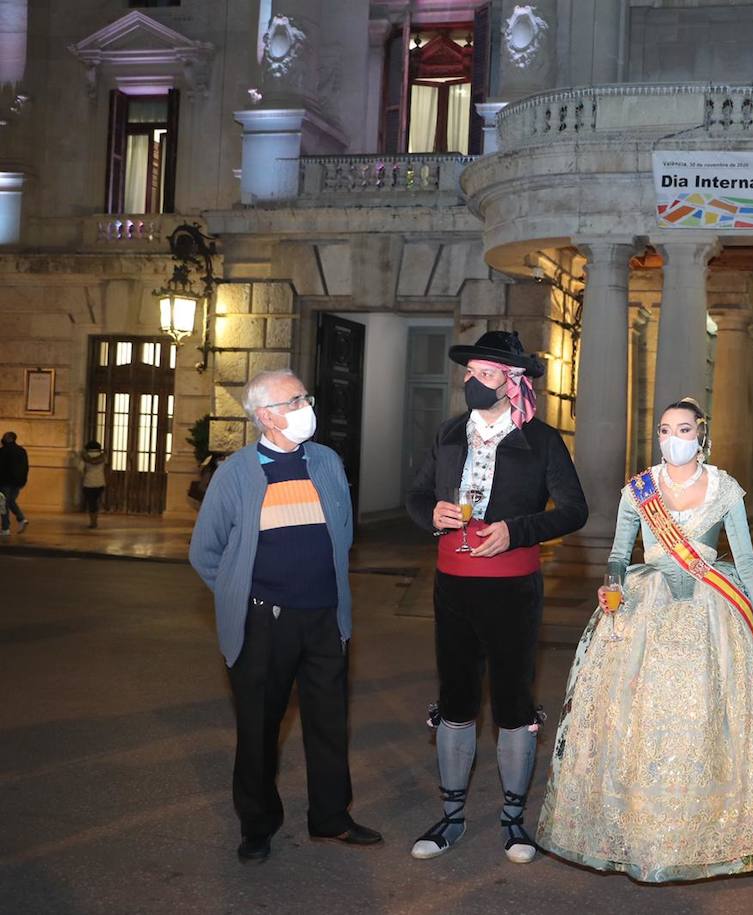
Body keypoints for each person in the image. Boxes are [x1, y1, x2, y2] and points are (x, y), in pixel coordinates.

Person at [538, 397, 753, 882]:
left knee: (706, 716)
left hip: (712, 611)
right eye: (663, 430)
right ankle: (640, 832)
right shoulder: (639, 490)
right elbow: (619, 554)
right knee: (638, 718)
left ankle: (705, 832)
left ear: (701, 434)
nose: (671, 439)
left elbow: (745, 563)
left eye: (682, 429)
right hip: (647, 608)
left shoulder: (724, 489)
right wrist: (612, 582)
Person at [406, 330, 588, 866]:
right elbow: (417, 494)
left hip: (512, 587)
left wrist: (518, 529)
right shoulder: (447, 434)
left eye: (484, 374)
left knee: (511, 701)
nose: (471, 382)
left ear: (513, 383)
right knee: (457, 697)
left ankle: (513, 821)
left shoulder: (543, 441)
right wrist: (428, 514)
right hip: (452, 584)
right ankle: (452, 816)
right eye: (469, 373)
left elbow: (574, 509)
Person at [189, 369, 382, 864]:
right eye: (295, 400)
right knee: (258, 728)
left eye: (305, 397)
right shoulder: (235, 474)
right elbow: (205, 552)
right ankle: (257, 826)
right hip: (263, 623)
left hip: (324, 618)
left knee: (328, 723)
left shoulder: (326, 462)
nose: (306, 406)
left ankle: (332, 818)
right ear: (266, 416)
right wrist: (240, 593)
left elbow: (343, 532)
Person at [0, 430, 29, 536]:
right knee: (11, 501)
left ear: (8, 439)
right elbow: (26, 467)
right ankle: (21, 519)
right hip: (18, 482)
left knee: (3, 504)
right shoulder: (22, 451)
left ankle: (5, 528)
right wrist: (23, 480)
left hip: (4, 482)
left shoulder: (3, 451)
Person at [77, 440, 107, 529]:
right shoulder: (103, 457)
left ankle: (93, 522)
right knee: (96, 502)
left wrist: (85, 474)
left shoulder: (85, 457)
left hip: (88, 482)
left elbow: (80, 469)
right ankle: (95, 520)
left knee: (91, 503)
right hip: (100, 482)